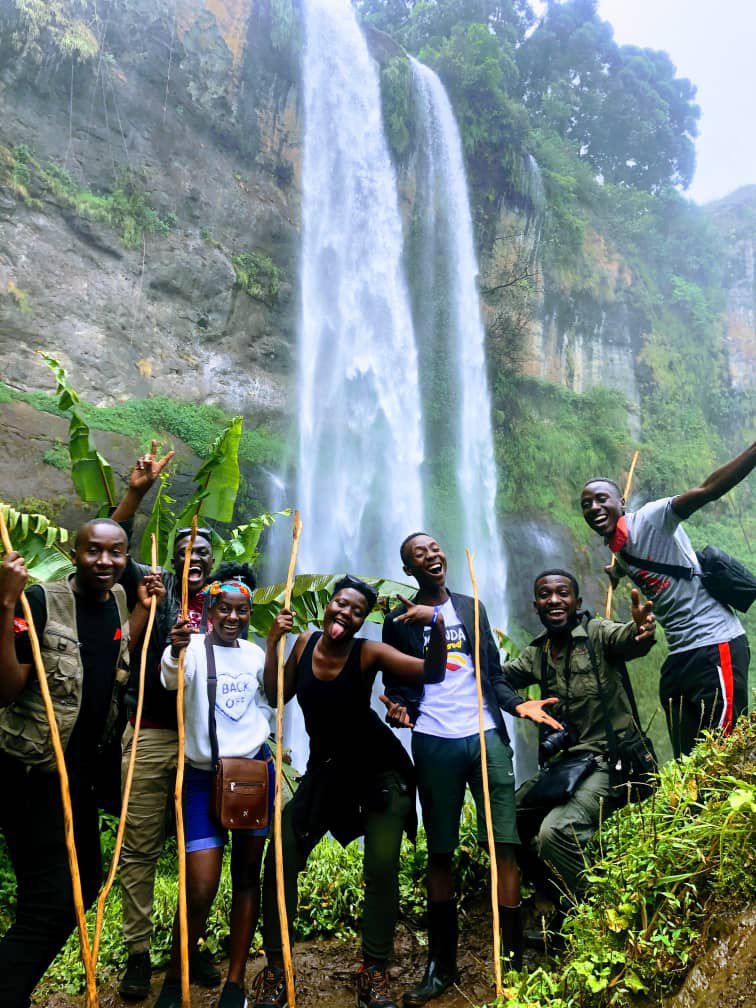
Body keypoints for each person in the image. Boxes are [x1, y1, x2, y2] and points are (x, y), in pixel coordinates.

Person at [251, 575, 449, 1008]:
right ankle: (276, 970)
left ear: (363, 620)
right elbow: (274, 693)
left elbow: (431, 672)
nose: (346, 613)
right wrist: (273, 643)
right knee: (280, 857)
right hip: (328, 773)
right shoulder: (302, 644)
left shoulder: (368, 652)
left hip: (380, 773)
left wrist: (435, 626)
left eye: (357, 611)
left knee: (380, 871)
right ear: (329, 605)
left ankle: (374, 972)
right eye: (341, 604)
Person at [382, 534, 562, 1006]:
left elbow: (494, 676)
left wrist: (519, 707)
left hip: (485, 735)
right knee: (439, 852)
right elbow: (396, 685)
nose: (432, 556)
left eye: (435, 548)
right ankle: (442, 965)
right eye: (419, 554)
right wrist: (399, 709)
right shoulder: (398, 620)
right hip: (435, 739)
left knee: (504, 844)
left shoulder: (471, 607)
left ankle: (512, 961)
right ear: (409, 569)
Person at [0, 518, 131, 1008]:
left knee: (83, 884)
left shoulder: (117, 601)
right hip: (31, 773)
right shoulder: (41, 602)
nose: (105, 562)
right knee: (53, 899)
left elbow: (113, 656)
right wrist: (5, 601)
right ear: (73, 553)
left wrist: (136, 494)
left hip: (79, 780)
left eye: (115, 553)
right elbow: (5, 690)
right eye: (93, 551)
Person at [500, 570, 656, 942]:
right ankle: (554, 897)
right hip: (568, 766)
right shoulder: (537, 655)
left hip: (612, 762)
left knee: (556, 831)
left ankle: (589, 918)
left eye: (562, 593)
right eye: (545, 594)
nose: (554, 600)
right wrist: (520, 705)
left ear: (577, 602)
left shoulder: (599, 634)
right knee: (507, 821)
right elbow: (497, 677)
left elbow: (631, 640)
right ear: (535, 605)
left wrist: (642, 630)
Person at [580, 441, 754, 757]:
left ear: (621, 502)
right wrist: (615, 573)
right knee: (688, 763)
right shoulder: (619, 548)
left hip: (716, 645)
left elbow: (708, 490)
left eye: (601, 499)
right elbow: (622, 561)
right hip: (680, 657)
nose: (593, 507)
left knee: (725, 757)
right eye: (586, 504)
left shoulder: (652, 518)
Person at [153, 576, 273, 1008]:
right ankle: (174, 976)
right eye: (224, 608)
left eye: (242, 610)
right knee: (201, 884)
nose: (233, 617)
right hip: (203, 777)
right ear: (209, 608)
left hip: (253, 775)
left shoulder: (256, 653)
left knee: (246, 877)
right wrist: (174, 648)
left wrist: (277, 643)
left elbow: (273, 699)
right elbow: (170, 681)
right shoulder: (192, 649)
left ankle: (235, 983)